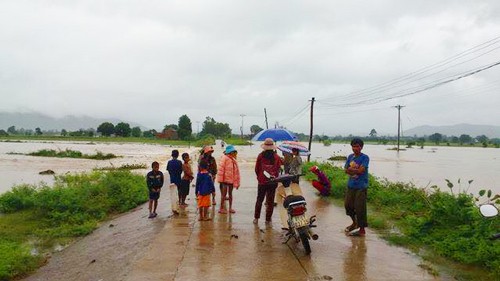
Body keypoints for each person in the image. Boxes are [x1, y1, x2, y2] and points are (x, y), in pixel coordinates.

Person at [344, 138, 370, 236]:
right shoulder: (350, 157)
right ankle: (355, 223)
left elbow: (361, 171)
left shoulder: (365, 158)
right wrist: (351, 169)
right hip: (351, 185)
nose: (355, 148)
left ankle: (362, 230)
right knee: (348, 206)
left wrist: (351, 169)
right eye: (353, 146)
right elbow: (345, 170)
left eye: (357, 146)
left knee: (360, 208)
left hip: (361, 186)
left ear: (361, 147)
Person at [254, 138, 283, 224]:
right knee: (270, 201)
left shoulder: (260, 156)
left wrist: (260, 177)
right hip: (273, 182)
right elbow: (278, 169)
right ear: (273, 147)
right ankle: (268, 219)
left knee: (259, 199)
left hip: (262, 182)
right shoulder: (277, 157)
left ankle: (256, 218)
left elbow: (256, 169)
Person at [216, 145, 240, 214]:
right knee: (223, 195)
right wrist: (221, 180)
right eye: (233, 152)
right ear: (230, 152)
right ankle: (221, 208)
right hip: (224, 181)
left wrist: (236, 182)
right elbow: (221, 170)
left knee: (230, 194)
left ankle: (230, 208)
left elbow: (236, 172)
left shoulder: (233, 159)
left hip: (231, 180)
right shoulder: (224, 158)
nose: (234, 153)